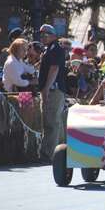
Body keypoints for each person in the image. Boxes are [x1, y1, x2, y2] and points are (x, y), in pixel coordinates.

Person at [38, 24, 66, 163]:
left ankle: (49, 154)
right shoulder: (49, 49)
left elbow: (54, 69)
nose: (43, 36)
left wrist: (46, 88)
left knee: (51, 123)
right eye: (41, 34)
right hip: (51, 89)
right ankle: (59, 152)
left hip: (54, 90)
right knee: (52, 122)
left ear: (54, 36)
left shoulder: (56, 49)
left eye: (46, 34)